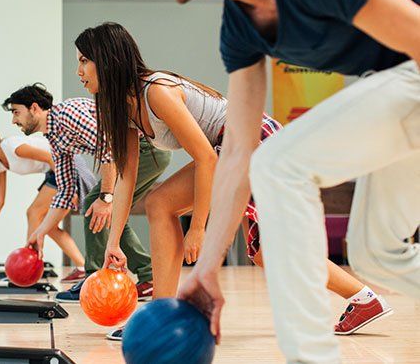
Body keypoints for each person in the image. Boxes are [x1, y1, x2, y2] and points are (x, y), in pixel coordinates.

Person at [140, 0, 420, 362]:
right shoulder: (239, 25)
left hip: (413, 67)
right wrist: (207, 270)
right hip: (400, 82)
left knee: (279, 163)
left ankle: (311, 357)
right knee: (378, 255)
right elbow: (235, 152)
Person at [75, 21, 389, 340]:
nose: (79, 71)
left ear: (107, 58)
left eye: (84, 60)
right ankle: (162, 316)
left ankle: (362, 298)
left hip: (252, 139)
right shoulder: (123, 108)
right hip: (228, 148)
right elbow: (126, 177)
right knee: (172, 208)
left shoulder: (155, 91)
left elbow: (205, 159)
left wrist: (199, 228)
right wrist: (113, 242)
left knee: (261, 248)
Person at [0, 84, 172, 311]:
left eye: (16, 112)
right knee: (106, 213)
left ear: (34, 108)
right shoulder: (55, 138)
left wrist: (107, 197)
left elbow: (109, 148)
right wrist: (40, 232)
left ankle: (93, 279)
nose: (14, 120)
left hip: (145, 150)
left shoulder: (68, 114)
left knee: (95, 204)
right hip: (135, 153)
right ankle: (148, 277)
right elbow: (65, 190)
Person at [0, 122, 94, 283]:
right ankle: (82, 266)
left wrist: (68, 188)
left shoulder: (12, 147)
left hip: (64, 162)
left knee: (33, 212)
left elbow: (50, 157)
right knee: (47, 226)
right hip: (53, 170)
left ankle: (28, 267)